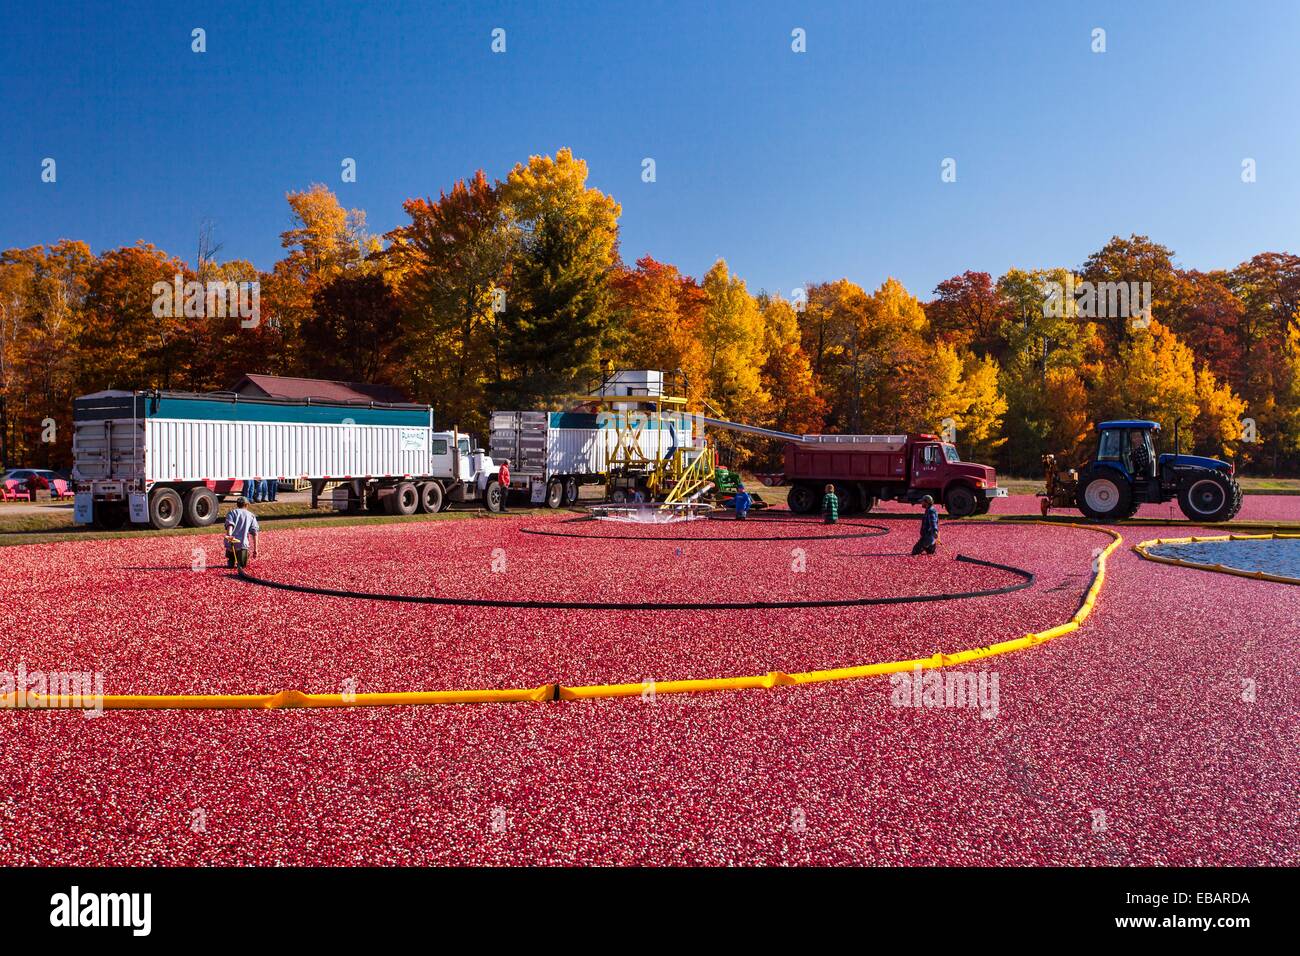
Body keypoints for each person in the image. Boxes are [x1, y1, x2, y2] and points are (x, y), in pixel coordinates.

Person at [223, 496, 260, 570]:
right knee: (242, 566)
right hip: (242, 544)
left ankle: (231, 560)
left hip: (231, 545)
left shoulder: (231, 513)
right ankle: (239, 561)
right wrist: (255, 549)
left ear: (237, 504)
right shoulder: (251, 515)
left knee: (230, 565)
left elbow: (230, 525)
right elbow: (255, 533)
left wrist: (230, 536)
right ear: (246, 505)